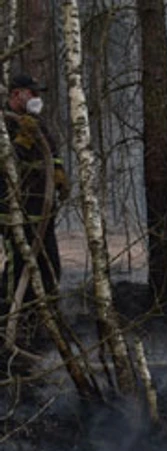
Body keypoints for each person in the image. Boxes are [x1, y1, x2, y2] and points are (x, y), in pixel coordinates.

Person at [0, 73, 69, 321]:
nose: (37, 98)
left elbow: (51, 151)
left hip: (42, 208)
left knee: (49, 261)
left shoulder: (35, 122)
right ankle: (9, 316)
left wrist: (59, 173)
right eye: (33, 93)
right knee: (18, 265)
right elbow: (8, 161)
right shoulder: (5, 123)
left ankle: (44, 316)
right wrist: (24, 138)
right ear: (16, 94)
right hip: (13, 209)